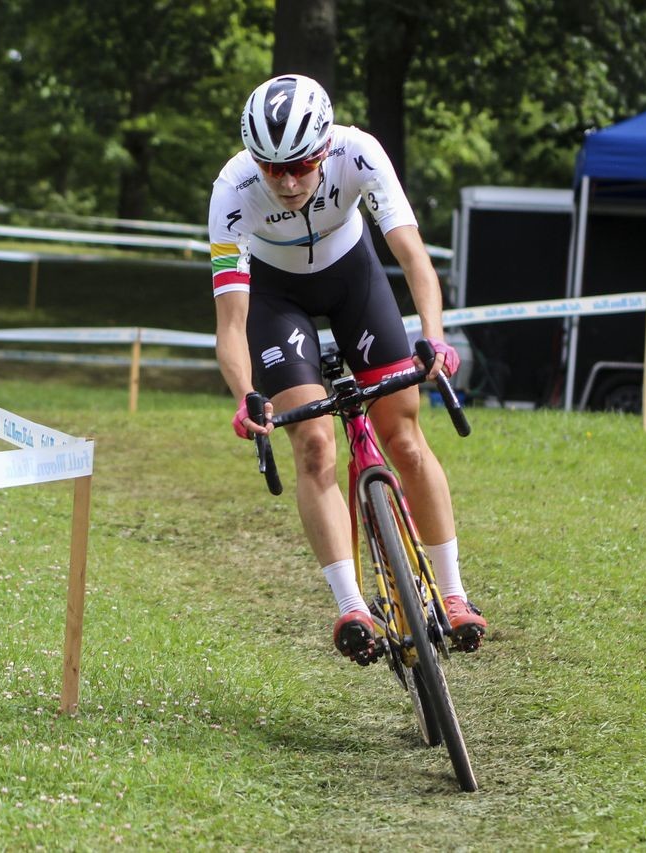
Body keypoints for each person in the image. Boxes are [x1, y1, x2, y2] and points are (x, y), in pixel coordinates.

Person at [209, 74, 487, 665]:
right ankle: (351, 606)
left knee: (404, 438)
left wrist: (433, 340)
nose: (285, 182)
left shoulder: (358, 151)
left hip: (353, 279)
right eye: (271, 168)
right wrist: (245, 395)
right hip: (275, 298)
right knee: (313, 444)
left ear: (325, 149)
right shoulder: (232, 190)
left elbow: (414, 258)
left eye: (300, 166)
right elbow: (231, 322)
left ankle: (455, 594)